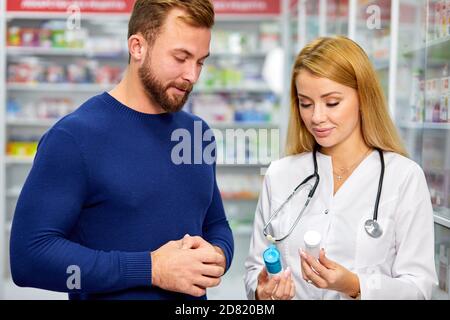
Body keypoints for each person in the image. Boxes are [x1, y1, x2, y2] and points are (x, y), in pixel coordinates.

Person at [10, 0, 234, 300]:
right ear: (137, 47)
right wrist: (151, 268)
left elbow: (215, 223)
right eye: (181, 57)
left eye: (200, 61)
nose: (192, 75)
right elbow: (29, 258)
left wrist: (219, 253)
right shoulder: (73, 138)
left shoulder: (197, 134)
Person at [244, 36, 437, 300]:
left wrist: (355, 285)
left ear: (363, 97)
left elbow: (419, 288)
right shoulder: (280, 175)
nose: (317, 117)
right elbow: (256, 269)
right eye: (306, 103)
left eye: (332, 102)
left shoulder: (403, 176)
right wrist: (261, 291)